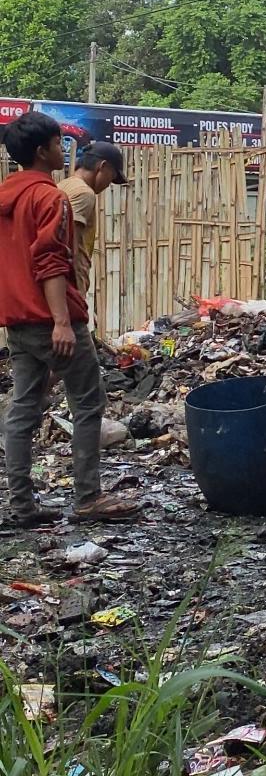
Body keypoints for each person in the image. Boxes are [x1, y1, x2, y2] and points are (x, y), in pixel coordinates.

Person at [0, 112, 138, 527]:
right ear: (42, 151)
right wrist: (62, 320)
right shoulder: (51, 197)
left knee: (23, 406)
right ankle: (87, 497)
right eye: (60, 144)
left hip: (17, 320)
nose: (64, 151)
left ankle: (21, 506)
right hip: (50, 318)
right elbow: (51, 263)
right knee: (88, 400)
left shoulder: (6, 194)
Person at [57, 141, 127, 298]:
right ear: (102, 166)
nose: (109, 184)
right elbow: (67, 244)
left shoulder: (63, 185)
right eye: (112, 177)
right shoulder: (84, 193)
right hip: (68, 290)